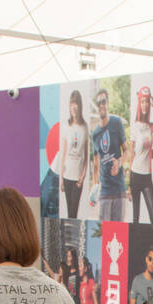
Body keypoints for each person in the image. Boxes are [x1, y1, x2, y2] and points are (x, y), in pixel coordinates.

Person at [91, 89, 126, 222]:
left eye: (103, 102)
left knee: (119, 234)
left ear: (108, 103)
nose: (101, 105)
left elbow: (126, 151)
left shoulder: (116, 123)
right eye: (98, 103)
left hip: (119, 190)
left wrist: (119, 162)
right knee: (104, 233)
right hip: (104, 192)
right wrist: (94, 188)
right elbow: (96, 164)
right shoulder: (95, 134)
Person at [128, 86, 153, 224]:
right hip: (135, 175)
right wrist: (129, 183)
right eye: (142, 101)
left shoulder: (150, 126)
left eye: (147, 101)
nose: (145, 105)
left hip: (147, 176)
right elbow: (131, 154)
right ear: (139, 104)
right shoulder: (135, 126)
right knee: (136, 217)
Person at [61, 89, 90, 219]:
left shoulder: (85, 127)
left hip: (77, 179)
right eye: (71, 104)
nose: (73, 107)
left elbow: (86, 155)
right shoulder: (67, 126)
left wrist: (82, 177)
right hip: (67, 176)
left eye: (75, 104)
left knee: (74, 212)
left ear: (80, 105)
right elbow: (64, 154)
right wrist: (61, 178)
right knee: (69, 213)